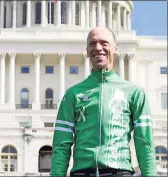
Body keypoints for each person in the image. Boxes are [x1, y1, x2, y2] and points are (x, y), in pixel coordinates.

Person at [50, 27, 157, 177]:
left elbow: (144, 143)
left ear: (115, 48)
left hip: (120, 172)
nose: (98, 48)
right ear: (87, 51)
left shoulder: (134, 93)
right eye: (92, 44)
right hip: (82, 173)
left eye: (104, 43)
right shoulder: (72, 95)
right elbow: (61, 146)